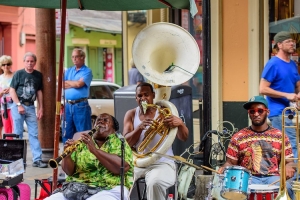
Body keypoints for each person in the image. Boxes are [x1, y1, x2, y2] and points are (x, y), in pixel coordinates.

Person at [217, 96, 295, 199]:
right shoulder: (238, 137)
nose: (256, 114)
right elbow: (231, 163)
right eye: (252, 111)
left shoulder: (280, 136)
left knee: (288, 188)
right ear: (249, 113)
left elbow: (289, 162)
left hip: (273, 178)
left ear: (267, 112)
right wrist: (224, 168)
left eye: (260, 110)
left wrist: (289, 167)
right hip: (248, 178)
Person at [123, 82, 189, 199]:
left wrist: (180, 124)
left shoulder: (165, 112)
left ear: (153, 95)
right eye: (140, 96)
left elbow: (184, 137)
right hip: (138, 163)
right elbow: (126, 143)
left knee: (154, 183)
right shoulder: (131, 114)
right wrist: (139, 128)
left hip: (162, 163)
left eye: (146, 95)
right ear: (136, 98)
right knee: (117, 182)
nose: (143, 98)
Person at [45, 113, 134, 200]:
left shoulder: (119, 141)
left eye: (105, 120)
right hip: (77, 189)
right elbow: (69, 172)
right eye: (98, 120)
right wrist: (67, 156)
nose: (100, 122)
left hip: (109, 189)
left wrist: (95, 151)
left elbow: (122, 168)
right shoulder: (81, 142)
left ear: (114, 129)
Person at [259, 31, 300, 161]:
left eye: (292, 41)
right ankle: (292, 178)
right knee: (290, 143)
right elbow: (263, 88)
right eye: (288, 41)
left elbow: (297, 85)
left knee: (287, 144)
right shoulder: (273, 64)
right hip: (277, 112)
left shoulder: (292, 64)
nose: (292, 43)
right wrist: (286, 95)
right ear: (279, 44)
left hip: (291, 111)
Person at [9, 52, 47, 168]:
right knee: (18, 133)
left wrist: (41, 108)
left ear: (35, 62)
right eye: (28, 61)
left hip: (30, 106)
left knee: (34, 134)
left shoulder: (38, 75)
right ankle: (17, 160)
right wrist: (18, 105)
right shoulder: (18, 74)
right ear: (24, 62)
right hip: (18, 106)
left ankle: (37, 159)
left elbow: (39, 92)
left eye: (32, 61)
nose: (30, 63)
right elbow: (12, 90)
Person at [63, 48, 93, 143]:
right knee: (67, 133)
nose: (74, 59)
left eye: (76, 57)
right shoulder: (69, 71)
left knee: (83, 133)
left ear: (83, 57)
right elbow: (62, 84)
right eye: (72, 57)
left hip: (81, 105)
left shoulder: (87, 71)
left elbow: (79, 84)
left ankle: (83, 156)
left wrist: (70, 83)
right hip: (68, 105)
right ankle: (67, 156)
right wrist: (74, 83)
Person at [0, 55, 14, 138]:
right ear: (1, 66)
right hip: (4, 106)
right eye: (3, 64)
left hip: (14, 105)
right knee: (7, 128)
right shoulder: (0, 78)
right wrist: (1, 92)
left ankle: (17, 146)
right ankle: (10, 147)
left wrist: (12, 90)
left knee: (15, 127)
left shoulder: (15, 76)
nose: (6, 66)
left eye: (8, 64)